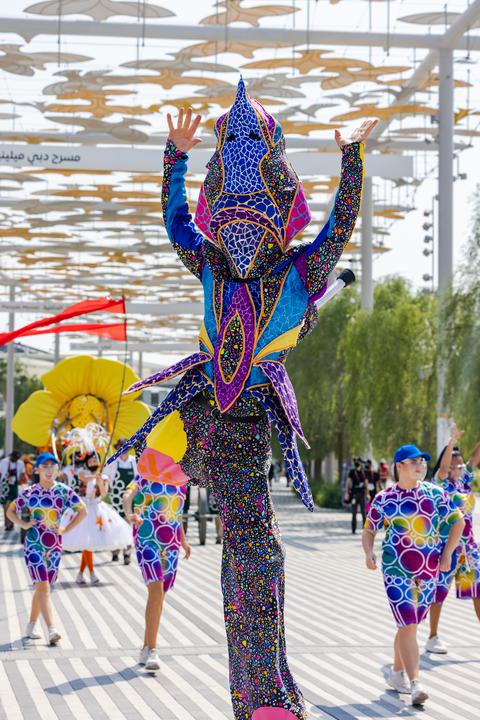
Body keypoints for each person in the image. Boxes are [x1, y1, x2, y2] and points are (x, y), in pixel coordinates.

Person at [107, 80, 376, 719]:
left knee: (256, 550)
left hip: (251, 414)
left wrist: (351, 162)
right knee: (254, 548)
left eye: (255, 227)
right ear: (218, 222)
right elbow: (173, 220)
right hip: (207, 409)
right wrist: (173, 158)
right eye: (231, 228)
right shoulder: (209, 265)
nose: (242, 243)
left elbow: (341, 225)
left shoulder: (299, 271)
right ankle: (263, 696)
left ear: (281, 220)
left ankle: (263, 693)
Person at [362, 444, 464, 706]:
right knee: (408, 624)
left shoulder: (435, 493)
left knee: (409, 625)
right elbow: (370, 528)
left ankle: (396, 673)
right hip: (396, 571)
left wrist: (447, 554)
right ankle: (416, 683)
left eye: (423, 461)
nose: (421, 465)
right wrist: (368, 552)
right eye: (414, 461)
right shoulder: (384, 498)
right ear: (399, 466)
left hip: (428, 571)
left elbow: (459, 521)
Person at [6, 452, 86, 644]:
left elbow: (83, 511)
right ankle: (51, 629)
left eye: (53, 466)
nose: (49, 470)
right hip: (34, 544)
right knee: (43, 586)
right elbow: (10, 511)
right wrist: (23, 524)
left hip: (55, 546)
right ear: (37, 470)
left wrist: (66, 528)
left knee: (44, 588)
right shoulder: (30, 491)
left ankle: (31, 625)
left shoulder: (64, 491)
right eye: (45, 466)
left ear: (57, 469)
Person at [123, 463, 191, 671]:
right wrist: (128, 513)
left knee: (160, 594)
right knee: (156, 588)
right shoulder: (146, 473)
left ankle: (146, 646)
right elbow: (128, 494)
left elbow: (176, 514)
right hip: (146, 538)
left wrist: (184, 541)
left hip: (171, 543)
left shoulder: (182, 479)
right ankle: (153, 649)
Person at [426, 422, 480, 654]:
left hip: (468, 548)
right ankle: (432, 636)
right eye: (454, 465)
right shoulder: (439, 485)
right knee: (440, 592)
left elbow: (476, 457)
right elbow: (445, 464)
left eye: (460, 466)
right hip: (446, 548)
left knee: (477, 590)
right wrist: (452, 442)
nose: (458, 467)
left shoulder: (463, 481)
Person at [62, 452, 132, 584]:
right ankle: (90, 573)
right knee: (86, 543)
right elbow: (84, 478)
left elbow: (104, 493)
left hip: (98, 509)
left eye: (95, 461)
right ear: (87, 463)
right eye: (91, 461)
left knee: (87, 544)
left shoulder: (104, 477)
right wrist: (95, 476)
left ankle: (82, 574)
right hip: (83, 510)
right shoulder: (83, 473)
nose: (93, 463)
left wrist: (100, 482)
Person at [104, 440, 137, 563]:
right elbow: (105, 477)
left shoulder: (134, 461)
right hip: (115, 497)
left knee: (129, 523)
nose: (123, 450)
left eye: (126, 448)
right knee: (116, 525)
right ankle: (115, 550)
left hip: (130, 497)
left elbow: (139, 479)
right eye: (120, 447)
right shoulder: (112, 462)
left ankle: (127, 552)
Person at [0, 450, 26, 531]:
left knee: (12, 506)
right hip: (4, 486)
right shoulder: (3, 462)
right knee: (5, 507)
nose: (15, 460)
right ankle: (7, 524)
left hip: (14, 486)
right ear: (11, 456)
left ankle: (10, 524)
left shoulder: (20, 463)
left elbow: (22, 475)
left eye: (16, 459)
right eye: (14, 458)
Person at [344, 457, 367, 534]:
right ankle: (353, 529)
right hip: (354, 494)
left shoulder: (364, 472)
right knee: (354, 513)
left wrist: (368, 494)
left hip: (362, 494)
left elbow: (366, 483)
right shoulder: (352, 472)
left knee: (364, 512)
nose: (360, 464)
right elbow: (347, 482)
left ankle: (365, 530)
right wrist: (347, 492)